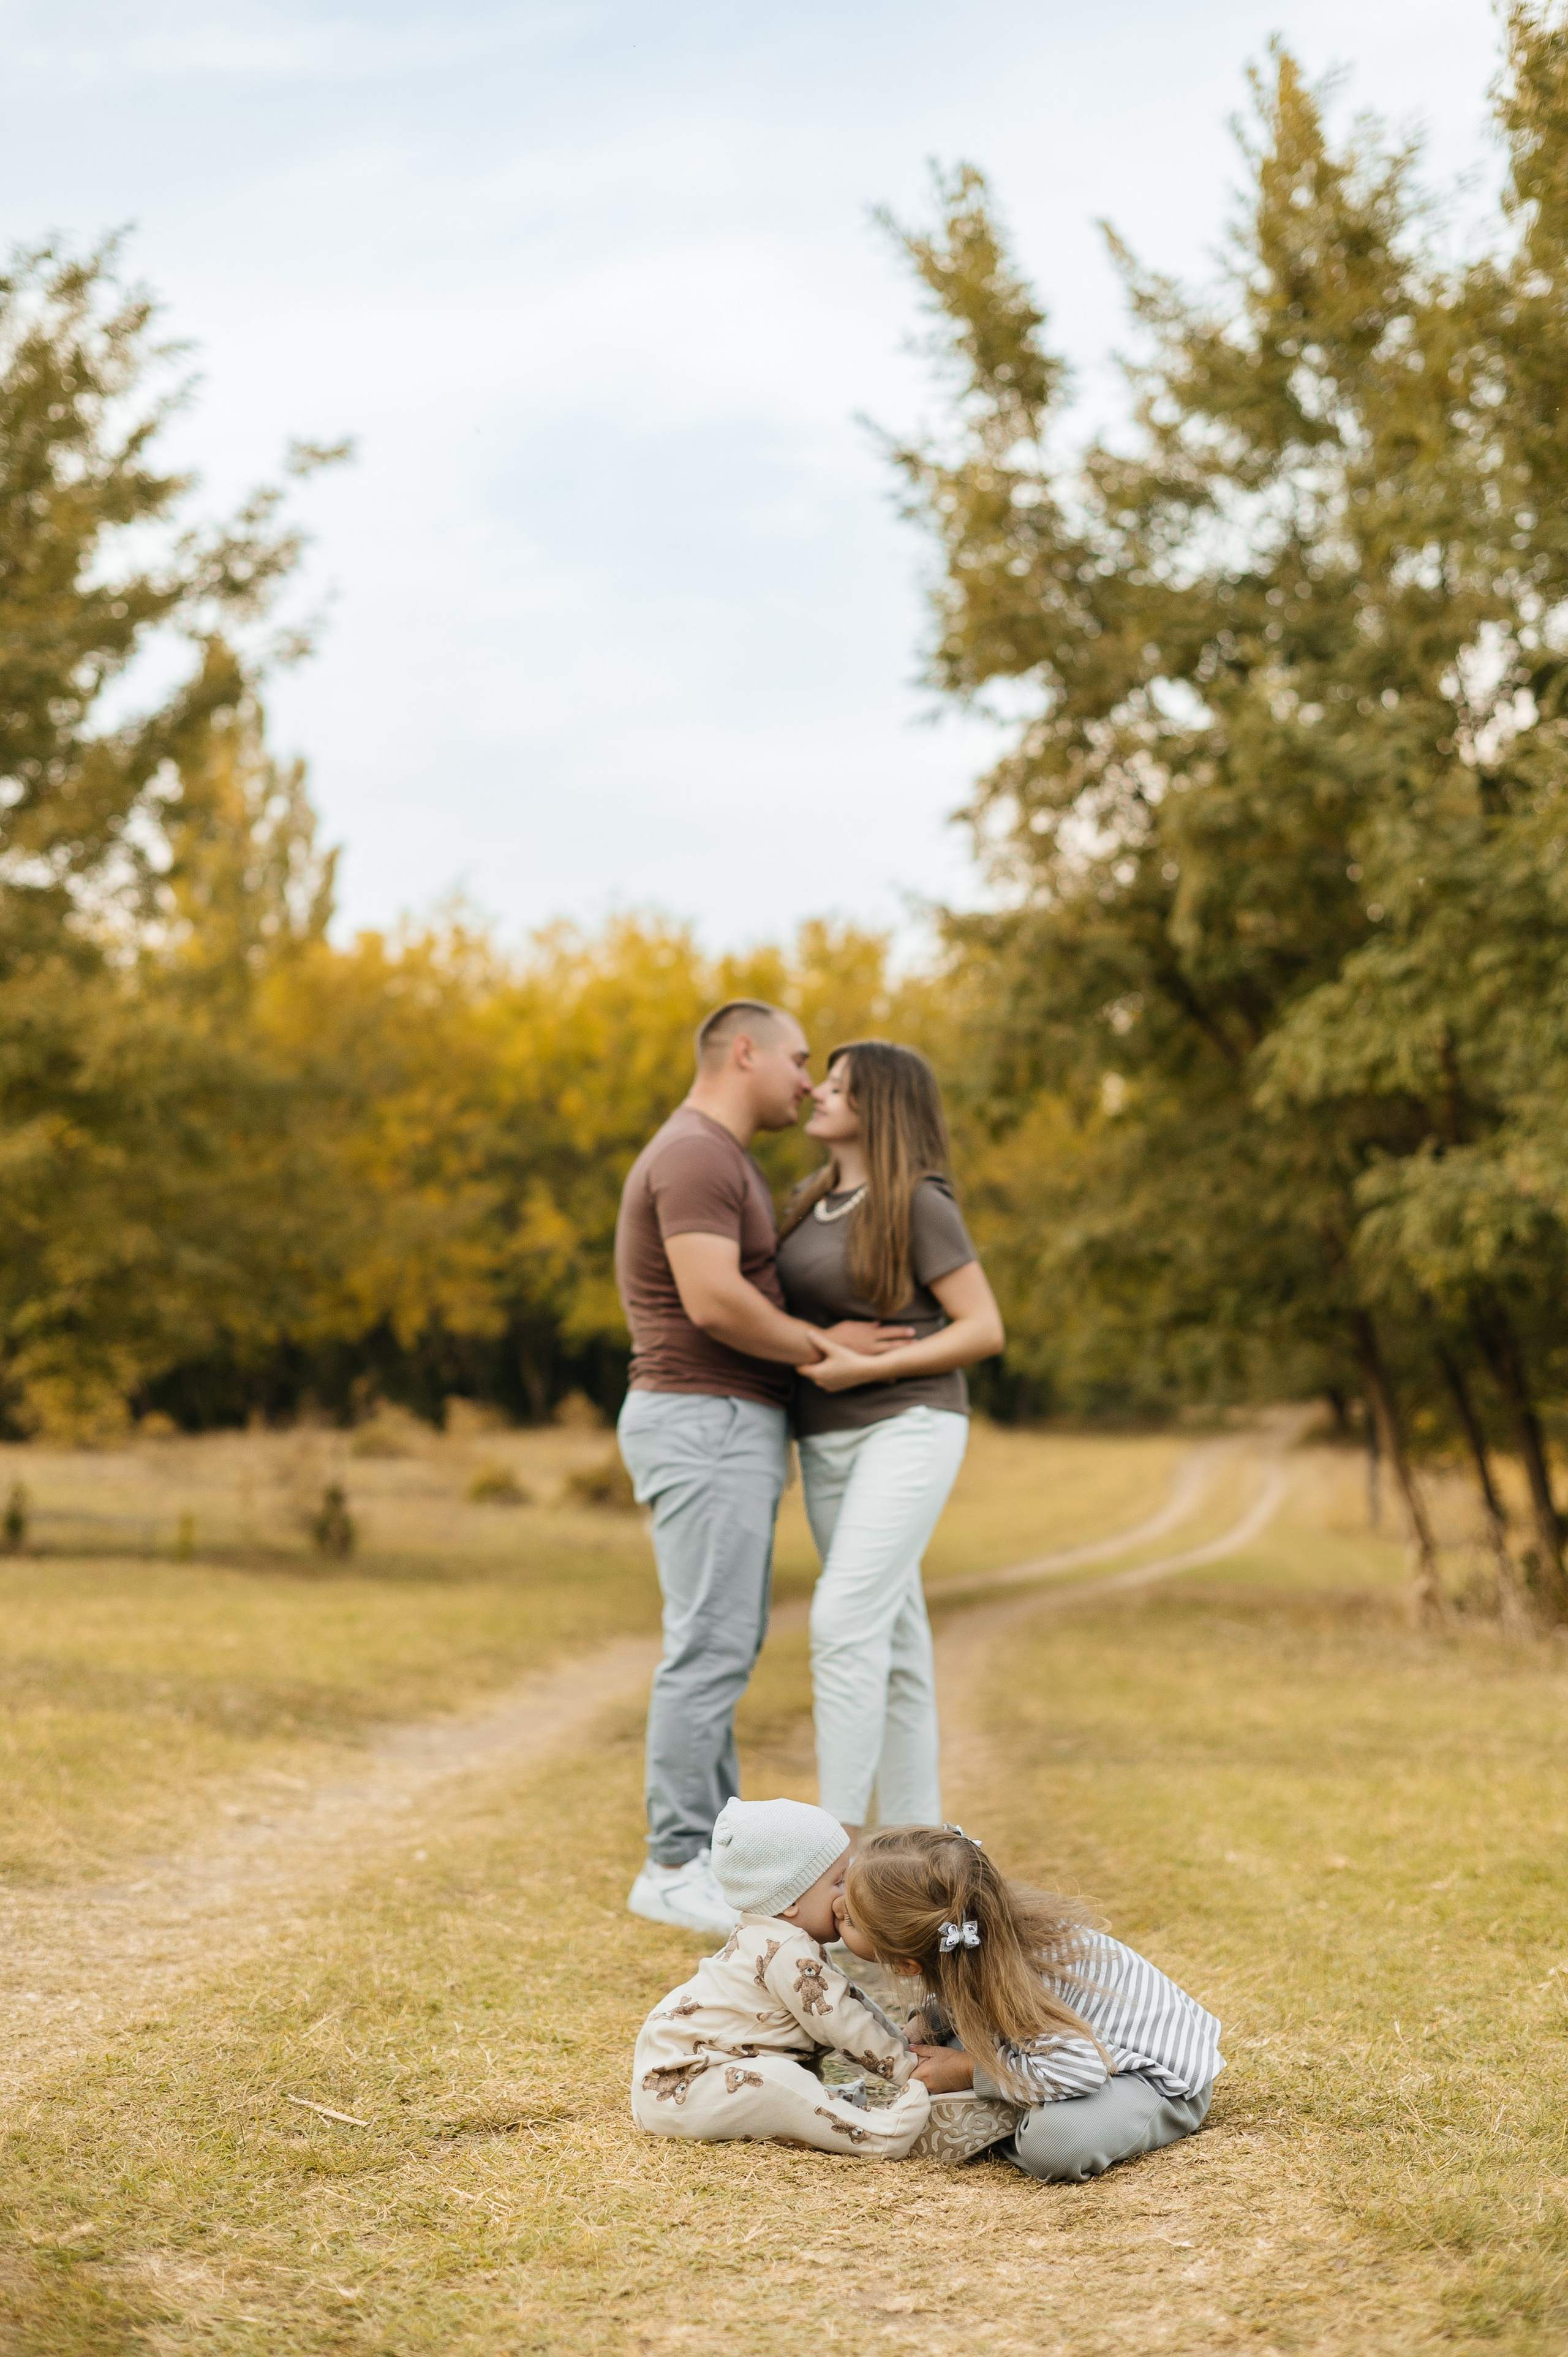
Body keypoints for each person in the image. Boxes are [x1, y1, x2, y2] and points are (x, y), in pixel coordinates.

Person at [614, 1002, 909, 1936]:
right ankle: (671, 1864)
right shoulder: (698, 1154)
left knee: (723, 1645)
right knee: (707, 1649)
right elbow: (713, 1300)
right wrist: (829, 1348)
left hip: (723, 1424)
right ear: (743, 1052)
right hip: (703, 1420)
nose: (806, 1081)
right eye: (795, 1060)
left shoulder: (721, 1156)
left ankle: (708, 1859)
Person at [775, 1041, 1005, 1834]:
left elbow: (983, 1327)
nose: (818, 1095)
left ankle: (829, 1866)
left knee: (842, 1621)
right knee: (897, 1648)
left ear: (882, 1106)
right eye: (823, 1082)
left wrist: (868, 1371)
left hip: (909, 1425)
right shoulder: (807, 1199)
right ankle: (919, 1865)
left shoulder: (918, 1202)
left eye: (839, 1087)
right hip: (826, 1438)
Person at [835, 1824, 1223, 2181]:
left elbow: (1083, 2067)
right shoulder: (983, 1939)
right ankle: (1010, 2098)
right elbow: (965, 1996)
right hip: (1069, 2049)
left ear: (907, 1965)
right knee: (941, 2051)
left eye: (851, 1919)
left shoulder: (1018, 1983)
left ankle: (1007, 2116)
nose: (837, 1910)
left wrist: (972, 2073)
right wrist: (931, 2018)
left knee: (1053, 2144)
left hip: (1151, 2078)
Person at [630, 1797, 930, 2157]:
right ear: (789, 1900)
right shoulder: (784, 1949)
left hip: (699, 2088)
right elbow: (839, 2019)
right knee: (776, 2083)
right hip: (688, 2088)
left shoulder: (775, 1938)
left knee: (777, 2083)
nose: (849, 1893)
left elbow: (845, 1998)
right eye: (839, 1881)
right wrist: (909, 2068)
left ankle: (826, 2108)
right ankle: (883, 2136)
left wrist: (900, 2043)